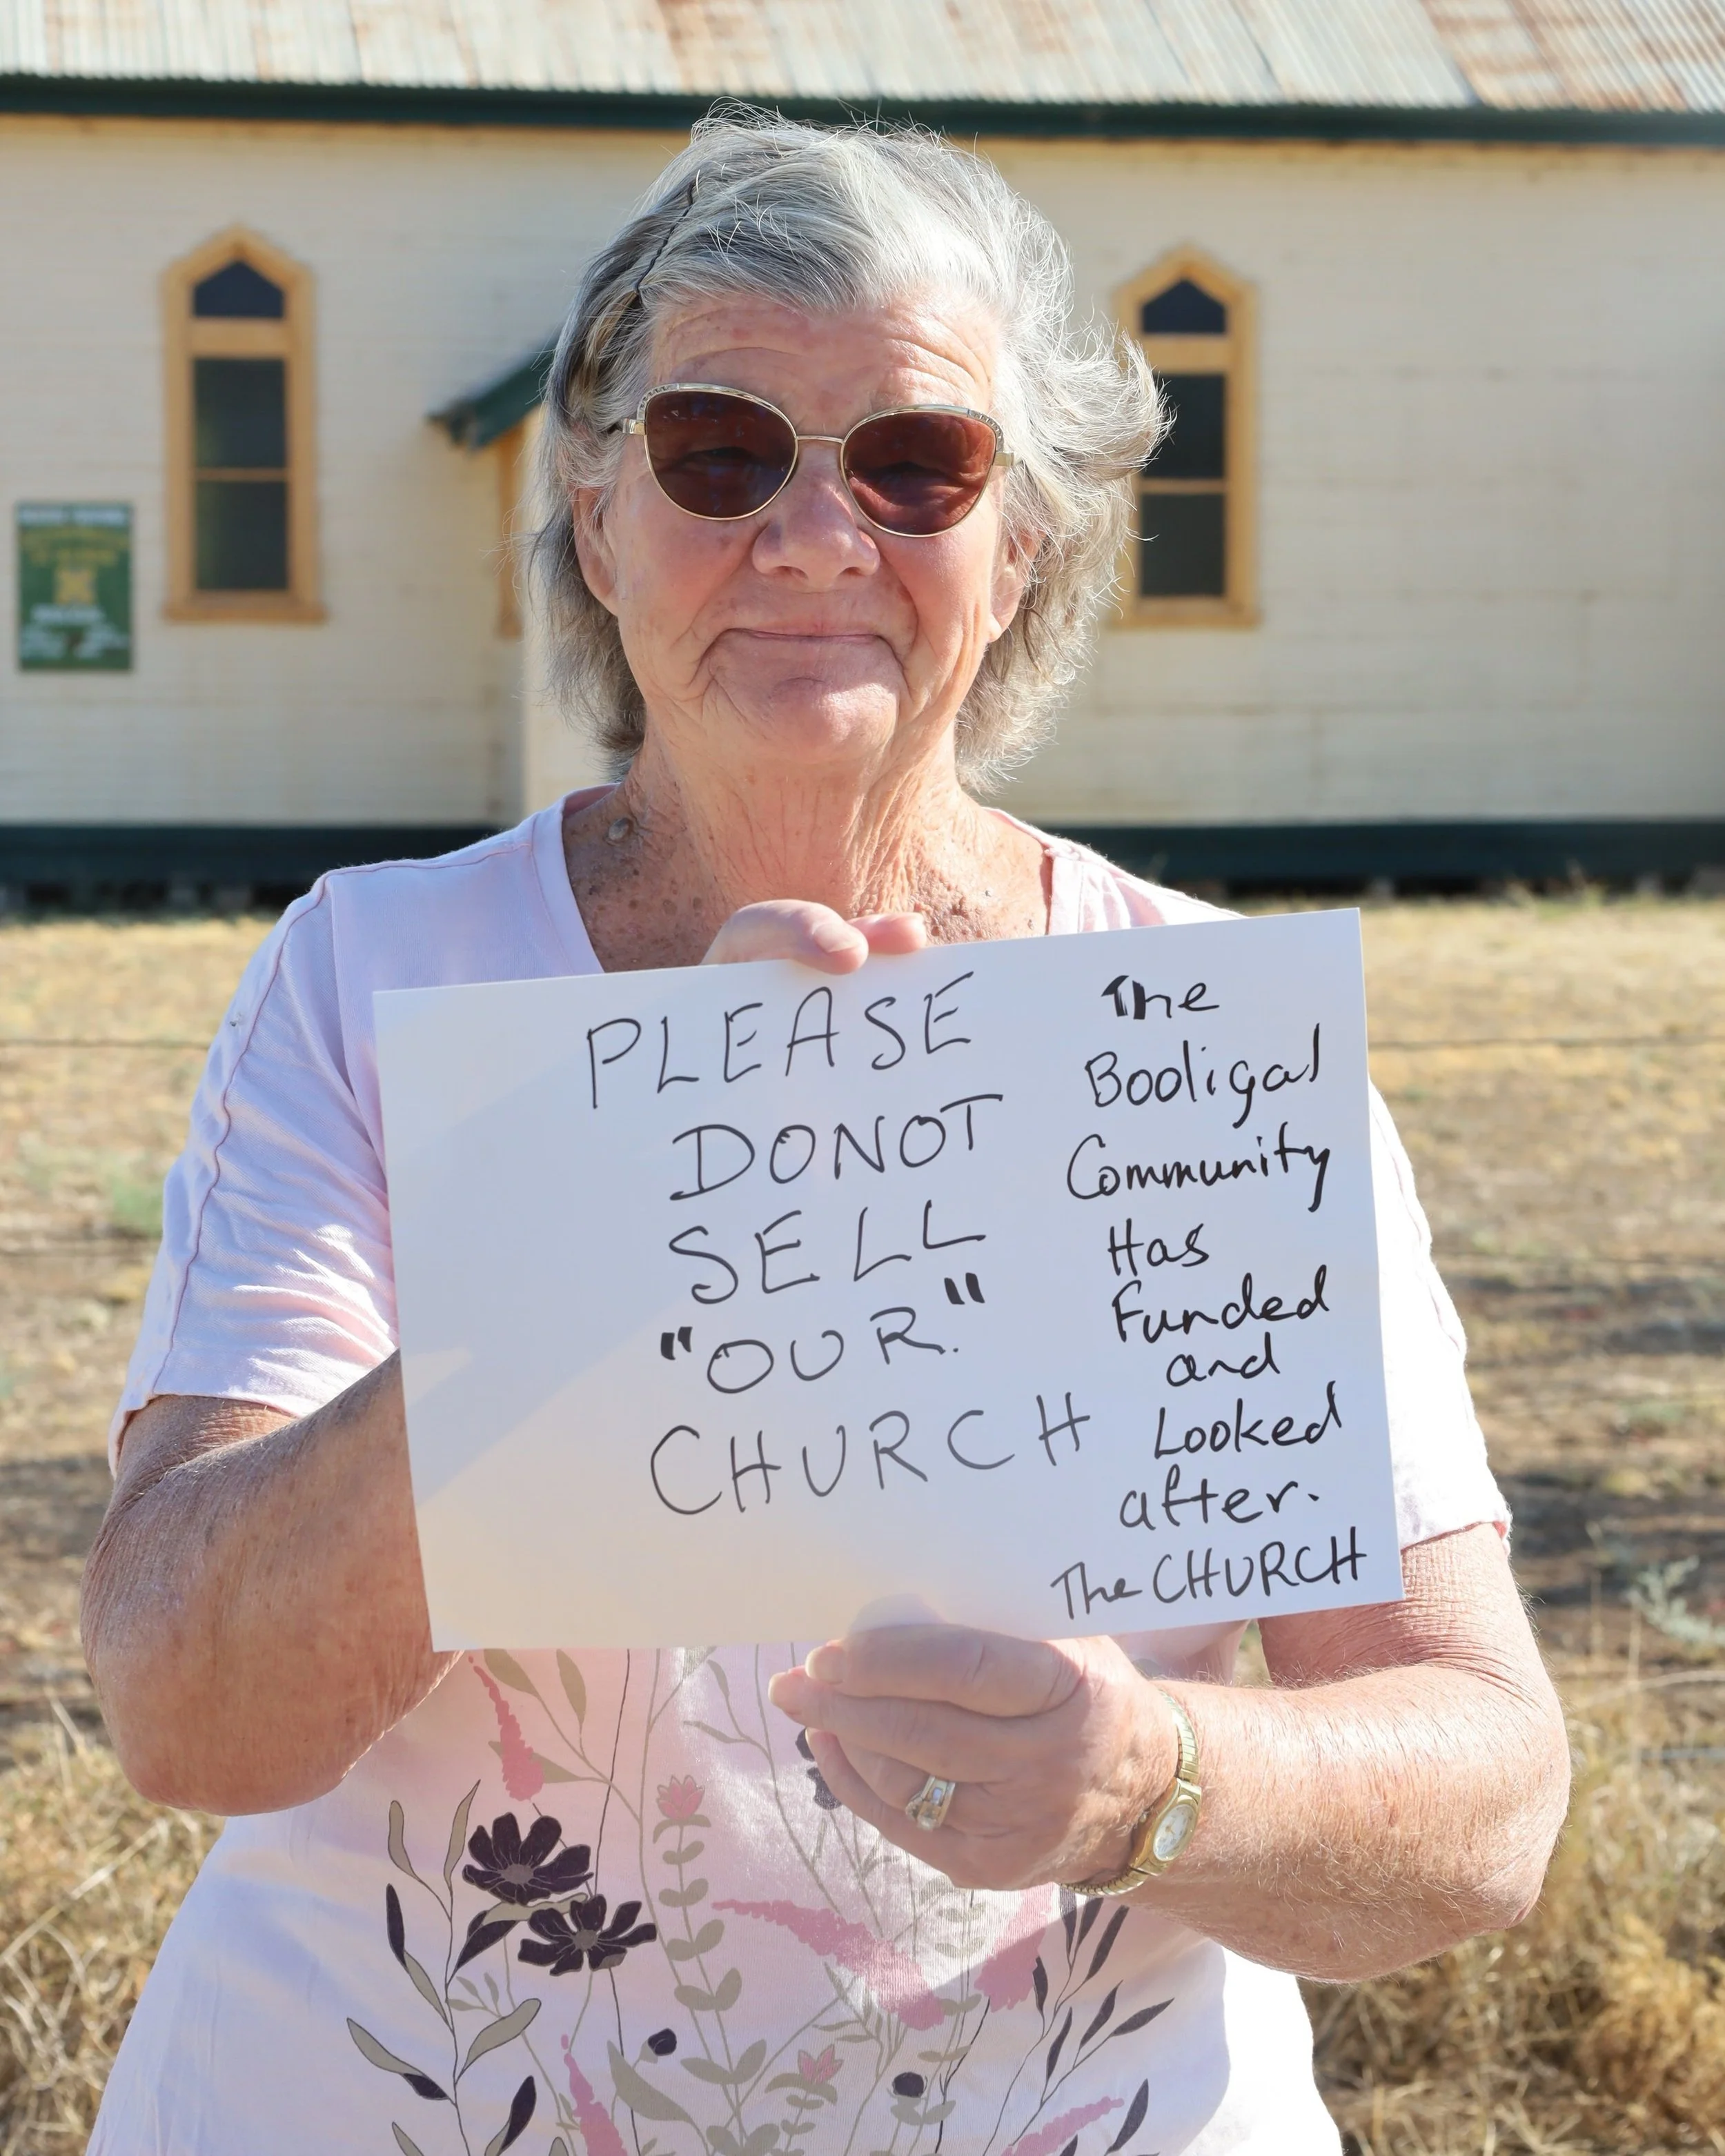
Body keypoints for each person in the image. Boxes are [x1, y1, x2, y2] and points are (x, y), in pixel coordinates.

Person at [82, 113, 1568, 2156]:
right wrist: (630, 1207)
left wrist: (1151, 1782)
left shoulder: (1189, 1034)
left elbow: (1485, 1799)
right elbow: (188, 1705)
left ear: (1020, 549)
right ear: (596, 523)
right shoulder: (376, 975)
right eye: (717, 451)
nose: (808, 533)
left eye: (916, 463)